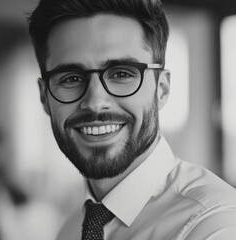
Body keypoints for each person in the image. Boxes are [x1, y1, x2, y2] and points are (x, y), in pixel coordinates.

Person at [28, 0, 236, 239]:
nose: (95, 102)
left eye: (121, 74)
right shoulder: (70, 230)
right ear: (44, 96)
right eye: (71, 79)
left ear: (162, 89)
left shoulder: (216, 226)